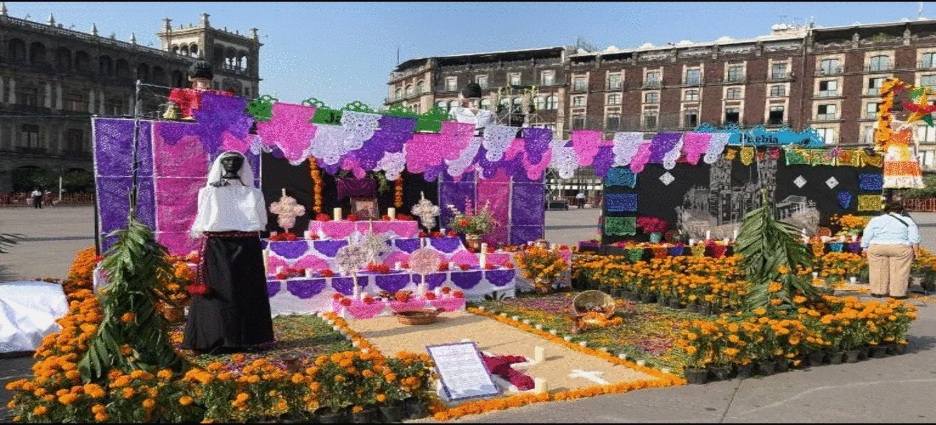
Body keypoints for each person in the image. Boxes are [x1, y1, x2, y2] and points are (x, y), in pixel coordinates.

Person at [183, 151, 275, 354]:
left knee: (246, 290)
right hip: (218, 245)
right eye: (227, 160)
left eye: (237, 161)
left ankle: (248, 338)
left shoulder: (253, 193)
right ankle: (215, 338)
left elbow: (261, 221)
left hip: (246, 245)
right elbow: (203, 222)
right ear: (221, 164)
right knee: (219, 292)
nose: (232, 164)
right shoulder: (208, 192)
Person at [860, 201, 920, 299]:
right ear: (901, 211)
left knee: (877, 269)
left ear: (886, 210)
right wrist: (916, 252)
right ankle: (898, 293)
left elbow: (867, 234)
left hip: (878, 247)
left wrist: (864, 247)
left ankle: (878, 291)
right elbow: (914, 238)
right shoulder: (908, 221)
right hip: (900, 248)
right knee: (900, 270)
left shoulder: (875, 220)